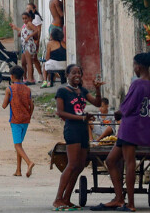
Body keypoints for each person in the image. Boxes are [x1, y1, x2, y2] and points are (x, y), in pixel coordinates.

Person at [94, 53, 150, 212]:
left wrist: (118, 113)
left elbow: (127, 107)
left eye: (134, 66)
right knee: (111, 160)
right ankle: (119, 198)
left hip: (131, 127)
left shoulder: (138, 84)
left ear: (138, 66)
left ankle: (130, 204)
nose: (134, 69)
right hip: (143, 127)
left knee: (129, 163)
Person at [52, 64, 103, 211]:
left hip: (82, 129)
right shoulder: (62, 91)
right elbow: (60, 112)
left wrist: (98, 89)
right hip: (72, 129)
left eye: (79, 73)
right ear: (67, 75)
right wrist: (80, 118)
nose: (77, 75)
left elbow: (97, 103)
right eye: (73, 73)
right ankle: (58, 199)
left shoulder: (82, 90)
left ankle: (67, 198)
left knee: (80, 165)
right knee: (72, 164)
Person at [2, 66, 35, 177]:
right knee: (19, 145)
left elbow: (4, 105)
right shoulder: (28, 89)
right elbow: (32, 105)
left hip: (15, 120)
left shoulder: (10, 89)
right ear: (22, 76)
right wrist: (29, 115)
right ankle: (18, 170)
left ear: (11, 76)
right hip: (25, 120)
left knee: (17, 145)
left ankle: (29, 162)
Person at [10, 12, 38, 85]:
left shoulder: (29, 24)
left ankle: (30, 79)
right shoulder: (25, 25)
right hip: (25, 45)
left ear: (29, 18)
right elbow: (23, 31)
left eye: (26, 18)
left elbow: (36, 30)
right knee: (24, 62)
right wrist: (15, 28)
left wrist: (29, 36)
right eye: (23, 19)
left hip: (29, 45)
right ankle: (26, 78)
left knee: (29, 62)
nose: (25, 20)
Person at [27, 3, 44, 82]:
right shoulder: (29, 18)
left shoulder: (36, 17)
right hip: (29, 41)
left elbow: (38, 30)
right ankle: (34, 76)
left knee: (34, 58)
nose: (28, 10)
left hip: (34, 40)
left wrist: (37, 41)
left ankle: (40, 75)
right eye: (27, 9)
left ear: (34, 10)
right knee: (32, 59)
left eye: (29, 9)